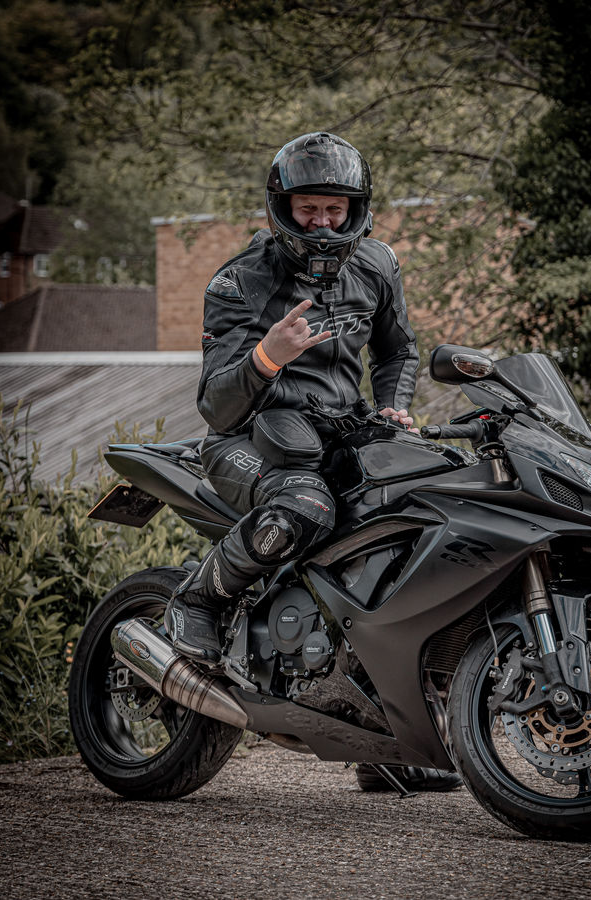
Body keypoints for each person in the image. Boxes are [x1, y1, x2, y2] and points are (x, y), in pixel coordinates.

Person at [165, 131, 460, 792]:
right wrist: (268, 356)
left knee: (421, 516)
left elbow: (397, 352)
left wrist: (393, 405)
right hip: (247, 442)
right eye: (308, 208)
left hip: (335, 434)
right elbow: (215, 404)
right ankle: (199, 603)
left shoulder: (376, 266)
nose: (322, 221)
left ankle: (389, 739)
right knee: (305, 505)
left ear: (355, 207)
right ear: (283, 205)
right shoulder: (240, 281)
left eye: (334, 207)